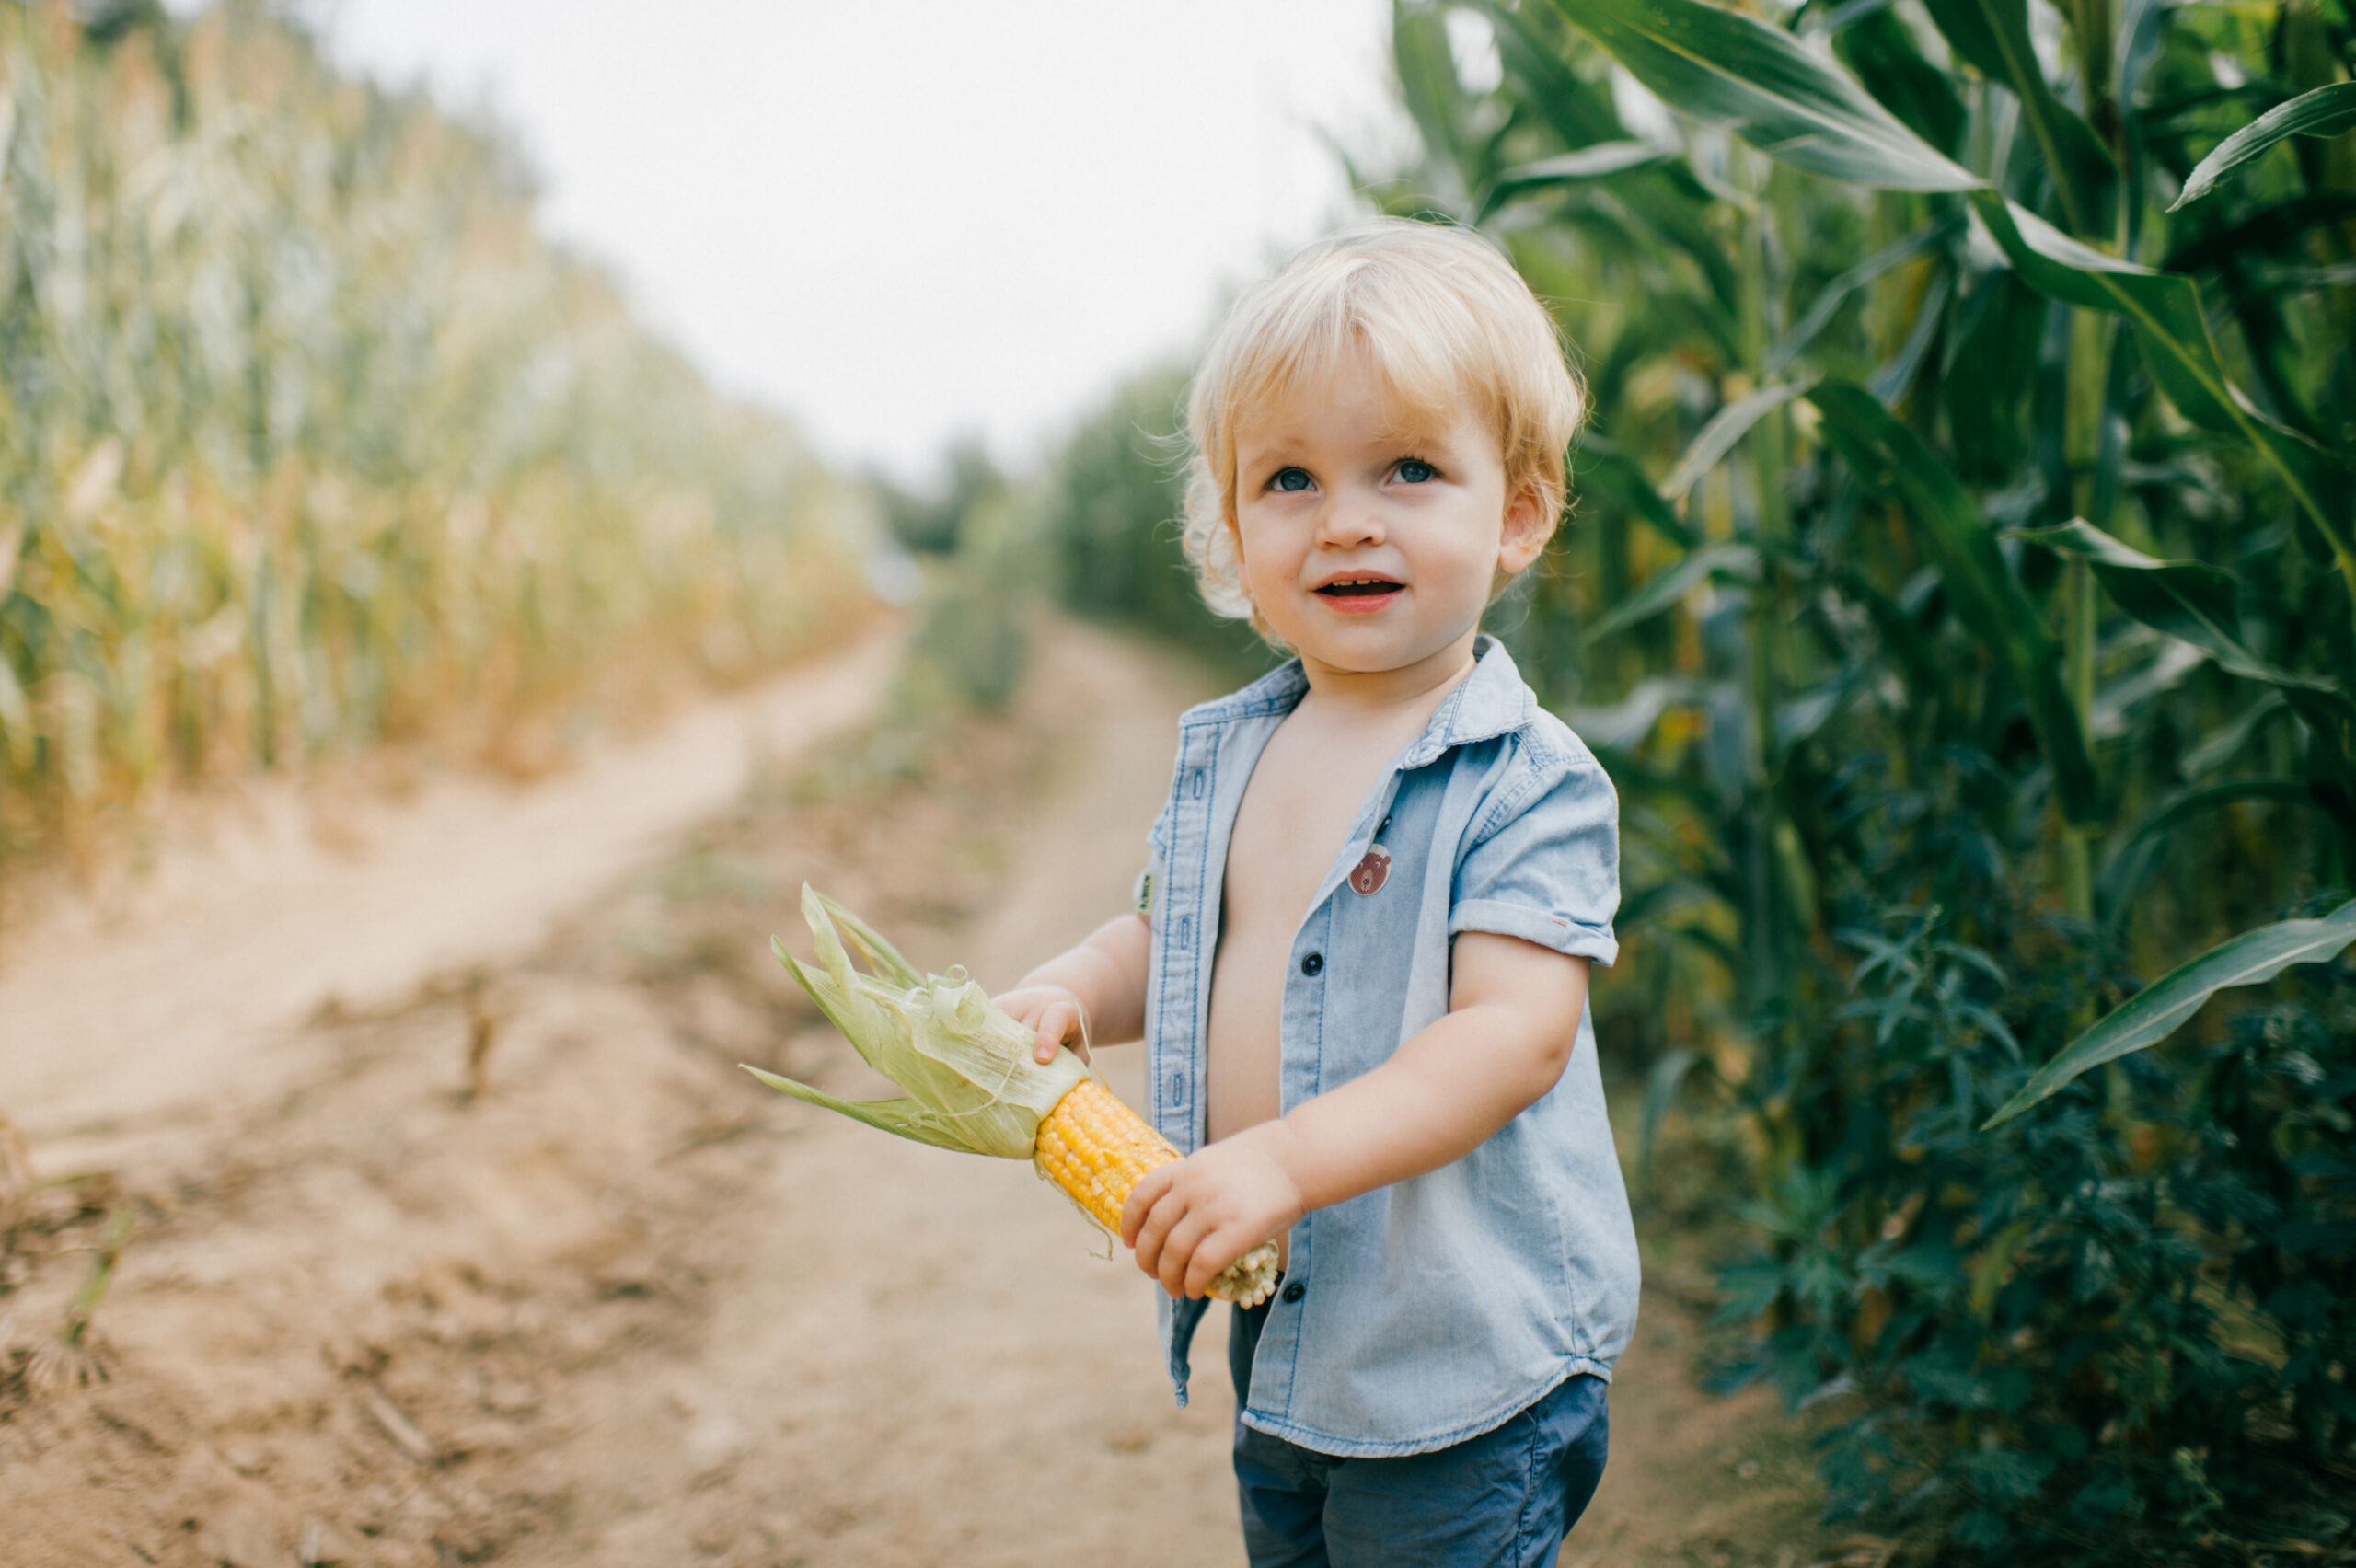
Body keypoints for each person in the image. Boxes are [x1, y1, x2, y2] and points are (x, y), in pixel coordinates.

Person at [993, 217, 1638, 1567]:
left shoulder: (1524, 783)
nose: (1348, 517)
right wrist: (1069, 988)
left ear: (1516, 511)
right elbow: (1175, 935)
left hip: (1457, 1362)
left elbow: (1513, 1038)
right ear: (1232, 528)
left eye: (1410, 468)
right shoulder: (1240, 750)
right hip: (1290, 1335)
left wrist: (1282, 1160)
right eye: (1290, 480)